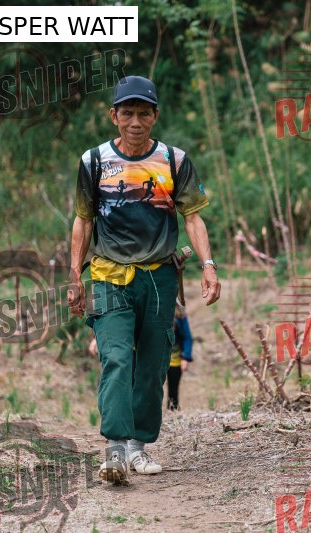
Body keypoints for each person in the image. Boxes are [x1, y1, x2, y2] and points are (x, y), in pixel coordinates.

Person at [67, 75, 221, 486]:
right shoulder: (94, 161)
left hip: (158, 277)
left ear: (155, 116)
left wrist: (209, 265)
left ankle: (138, 446)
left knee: (153, 363)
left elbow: (193, 217)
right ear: (113, 116)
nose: (135, 122)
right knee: (116, 357)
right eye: (128, 113)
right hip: (108, 275)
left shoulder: (173, 160)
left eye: (143, 113)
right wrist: (74, 276)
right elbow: (83, 221)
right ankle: (116, 450)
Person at [167, 304, 193, 410]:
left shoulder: (180, 314)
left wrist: (186, 357)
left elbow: (187, 337)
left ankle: (172, 412)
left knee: (173, 390)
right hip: (156, 360)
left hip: (175, 359)